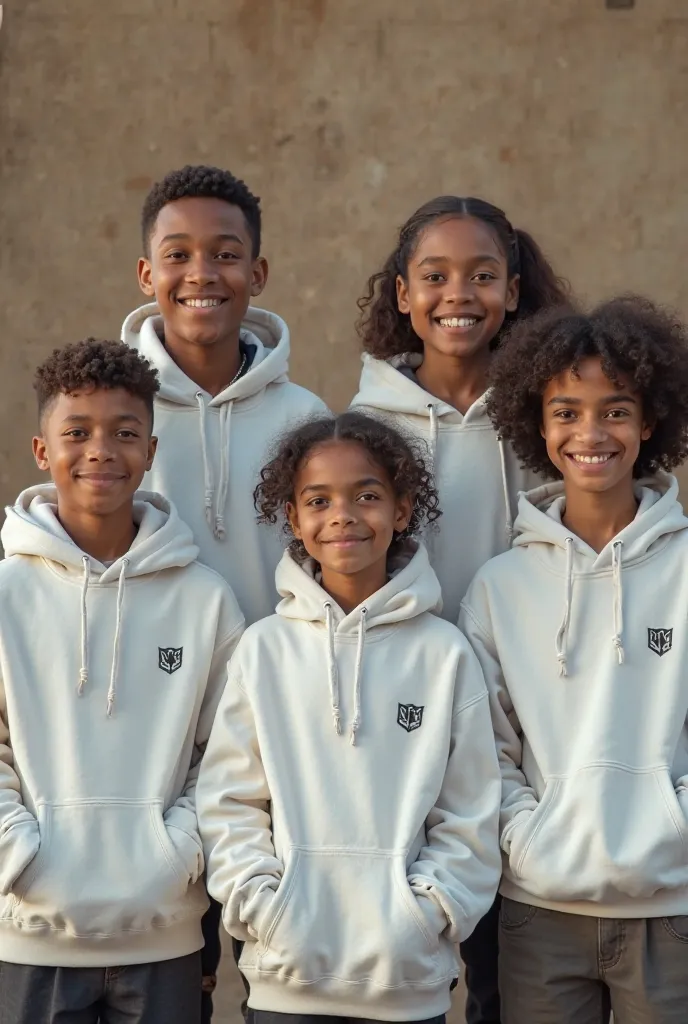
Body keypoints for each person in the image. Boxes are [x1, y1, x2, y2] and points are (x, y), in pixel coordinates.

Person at [196, 411, 502, 1024]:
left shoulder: (443, 654)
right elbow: (230, 802)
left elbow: (470, 811)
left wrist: (427, 914)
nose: (343, 515)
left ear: (403, 510)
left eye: (367, 495)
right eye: (319, 500)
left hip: (407, 983)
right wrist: (264, 908)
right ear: (294, 519)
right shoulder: (263, 650)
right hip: (287, 980)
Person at [350, 195, 570, 1024]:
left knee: (509, 980)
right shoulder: (364, 425)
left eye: (483, 275)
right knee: (406, 964)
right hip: (406, 724)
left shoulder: (552, 419)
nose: (459, 294)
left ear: (514, 291)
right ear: (402, 294)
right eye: (435, 276)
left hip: (530, 728)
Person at [121, 164, 327, 1018]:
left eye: (226, 254)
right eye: (178, 254)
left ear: (259, 274)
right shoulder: (114, 411)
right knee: (175, 980)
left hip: (276, 747)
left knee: (279, 969)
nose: (201, 273)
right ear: (146, 275)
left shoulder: (306, 415)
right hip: (147, 744)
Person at [0, 339, 244, 1024]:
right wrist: (20, 857)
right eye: (77, 433)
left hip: (163, 929)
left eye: (124, 433)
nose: (101, 450)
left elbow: (230, 754)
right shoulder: (7, 593)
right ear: (42, 451)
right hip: (30, 934)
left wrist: (176, 854)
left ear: (152, 450)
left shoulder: (204, 600)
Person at [459, 297, 688, 1024]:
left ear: (649, 423)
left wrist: (675, 826)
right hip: (540, 910)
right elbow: (483, 746)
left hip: (674, 905)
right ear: (539, 424)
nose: (591, 433)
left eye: (615, 411)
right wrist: (530, 839)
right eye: (567, 412)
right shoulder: (501, 585)